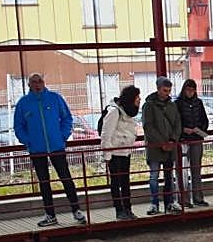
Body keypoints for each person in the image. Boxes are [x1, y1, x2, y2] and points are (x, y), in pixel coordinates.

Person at [13, 73, 86, 227]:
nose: (38, 84)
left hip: (56, 146)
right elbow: (19, 126)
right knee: (44, 182)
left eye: (40, 81)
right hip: (37, 149)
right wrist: (28, 141)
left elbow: (67, 118)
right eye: (34, 82)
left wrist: (63, 136)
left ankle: (76, 210)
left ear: (44, 82)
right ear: (29, 85)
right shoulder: (23, 103)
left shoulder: (55, 98)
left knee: (66, 178)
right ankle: (50, 215)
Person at [141, 76, 182, 215]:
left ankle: (169, 202)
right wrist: (161, 143)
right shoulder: (149, 105)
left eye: (169, 90)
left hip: (169, 147)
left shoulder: (172, 105)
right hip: (155, 147)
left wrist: (172, 140)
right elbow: (148, 126)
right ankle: (154, 204)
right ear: (158, 89)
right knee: (154, 176)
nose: (167, 93)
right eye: (165, 90)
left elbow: (177, 123)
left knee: (169, 177)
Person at [100, 85, 140, 221]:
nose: (139, 99)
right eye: (137, 97)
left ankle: (128, 209)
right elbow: (106, 134)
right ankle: (119, 210)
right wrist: (107, 156)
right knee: (116, 182)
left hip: (125, 152)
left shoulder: (128, 112)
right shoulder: (114, 112)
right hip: (114, 154)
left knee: (125, 182)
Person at [175, 79, 210, 206]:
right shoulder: (177, 103)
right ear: (184, 90)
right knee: (182, 171)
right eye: (188, 90)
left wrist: (200, 129)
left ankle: (198, 197)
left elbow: (205, 120)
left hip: (196, 139)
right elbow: (175, 122)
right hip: (183, 140)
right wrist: (183, 130)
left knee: (196, 169)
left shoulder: (198, 103)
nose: (190, 92)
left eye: (193, 90)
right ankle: (183, 200)